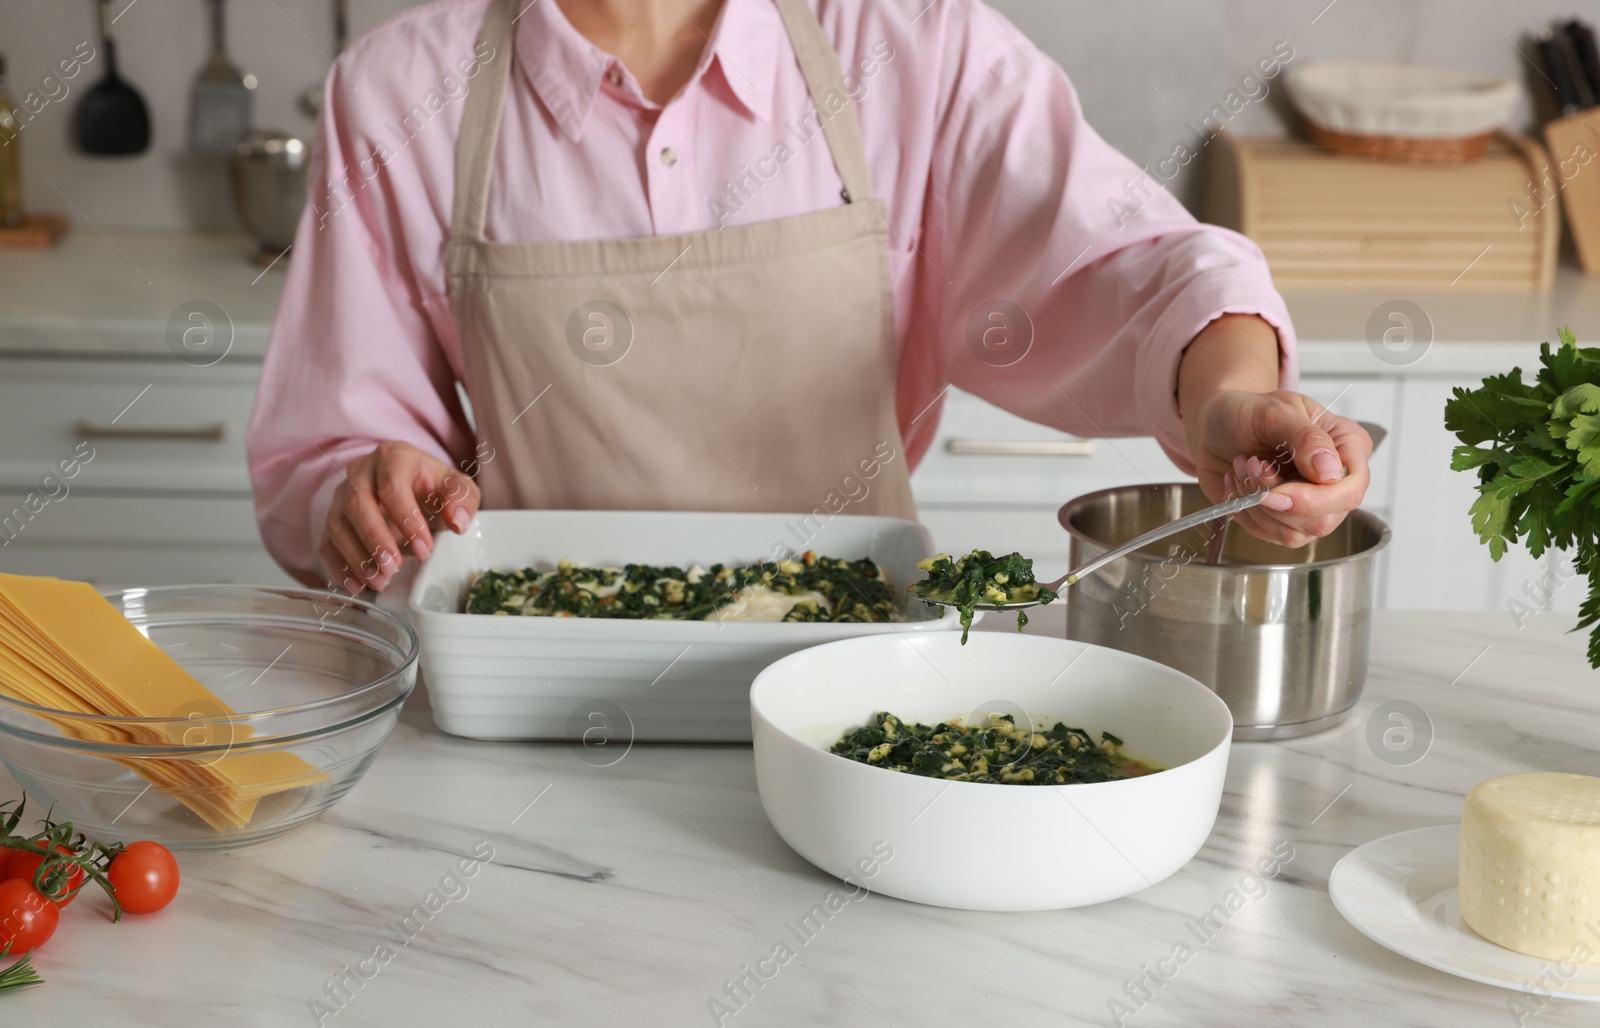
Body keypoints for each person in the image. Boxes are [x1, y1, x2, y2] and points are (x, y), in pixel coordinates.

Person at [247, 0, 1370, 595]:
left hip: (851, 682)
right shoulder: (399, 89)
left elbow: (1132, 266)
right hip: (532, 683)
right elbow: (332, 449)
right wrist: (365, 494)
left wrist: (1230, 400)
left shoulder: (915, 48)